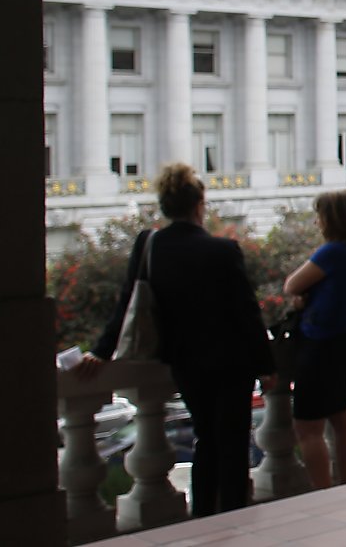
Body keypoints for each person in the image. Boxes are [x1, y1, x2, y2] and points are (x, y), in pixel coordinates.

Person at [75, 163, 273, 517]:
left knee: (206, 441)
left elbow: (128, 302)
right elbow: (247, 315)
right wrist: (267, 366)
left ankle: (203, 520)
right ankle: (234, 516)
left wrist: (101, 351)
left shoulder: (150, 245)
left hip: (185, 361)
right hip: (231, 362)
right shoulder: (223, 250)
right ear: (199, 205)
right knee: (230, 445)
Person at [281, 189, 346, 488]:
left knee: (308, 427)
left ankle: (322, 489)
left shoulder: (332, 252)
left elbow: (292, 285)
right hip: (344, 343)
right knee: (342, 420)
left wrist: (301, 299)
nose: (317, 222)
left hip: (319, 345)